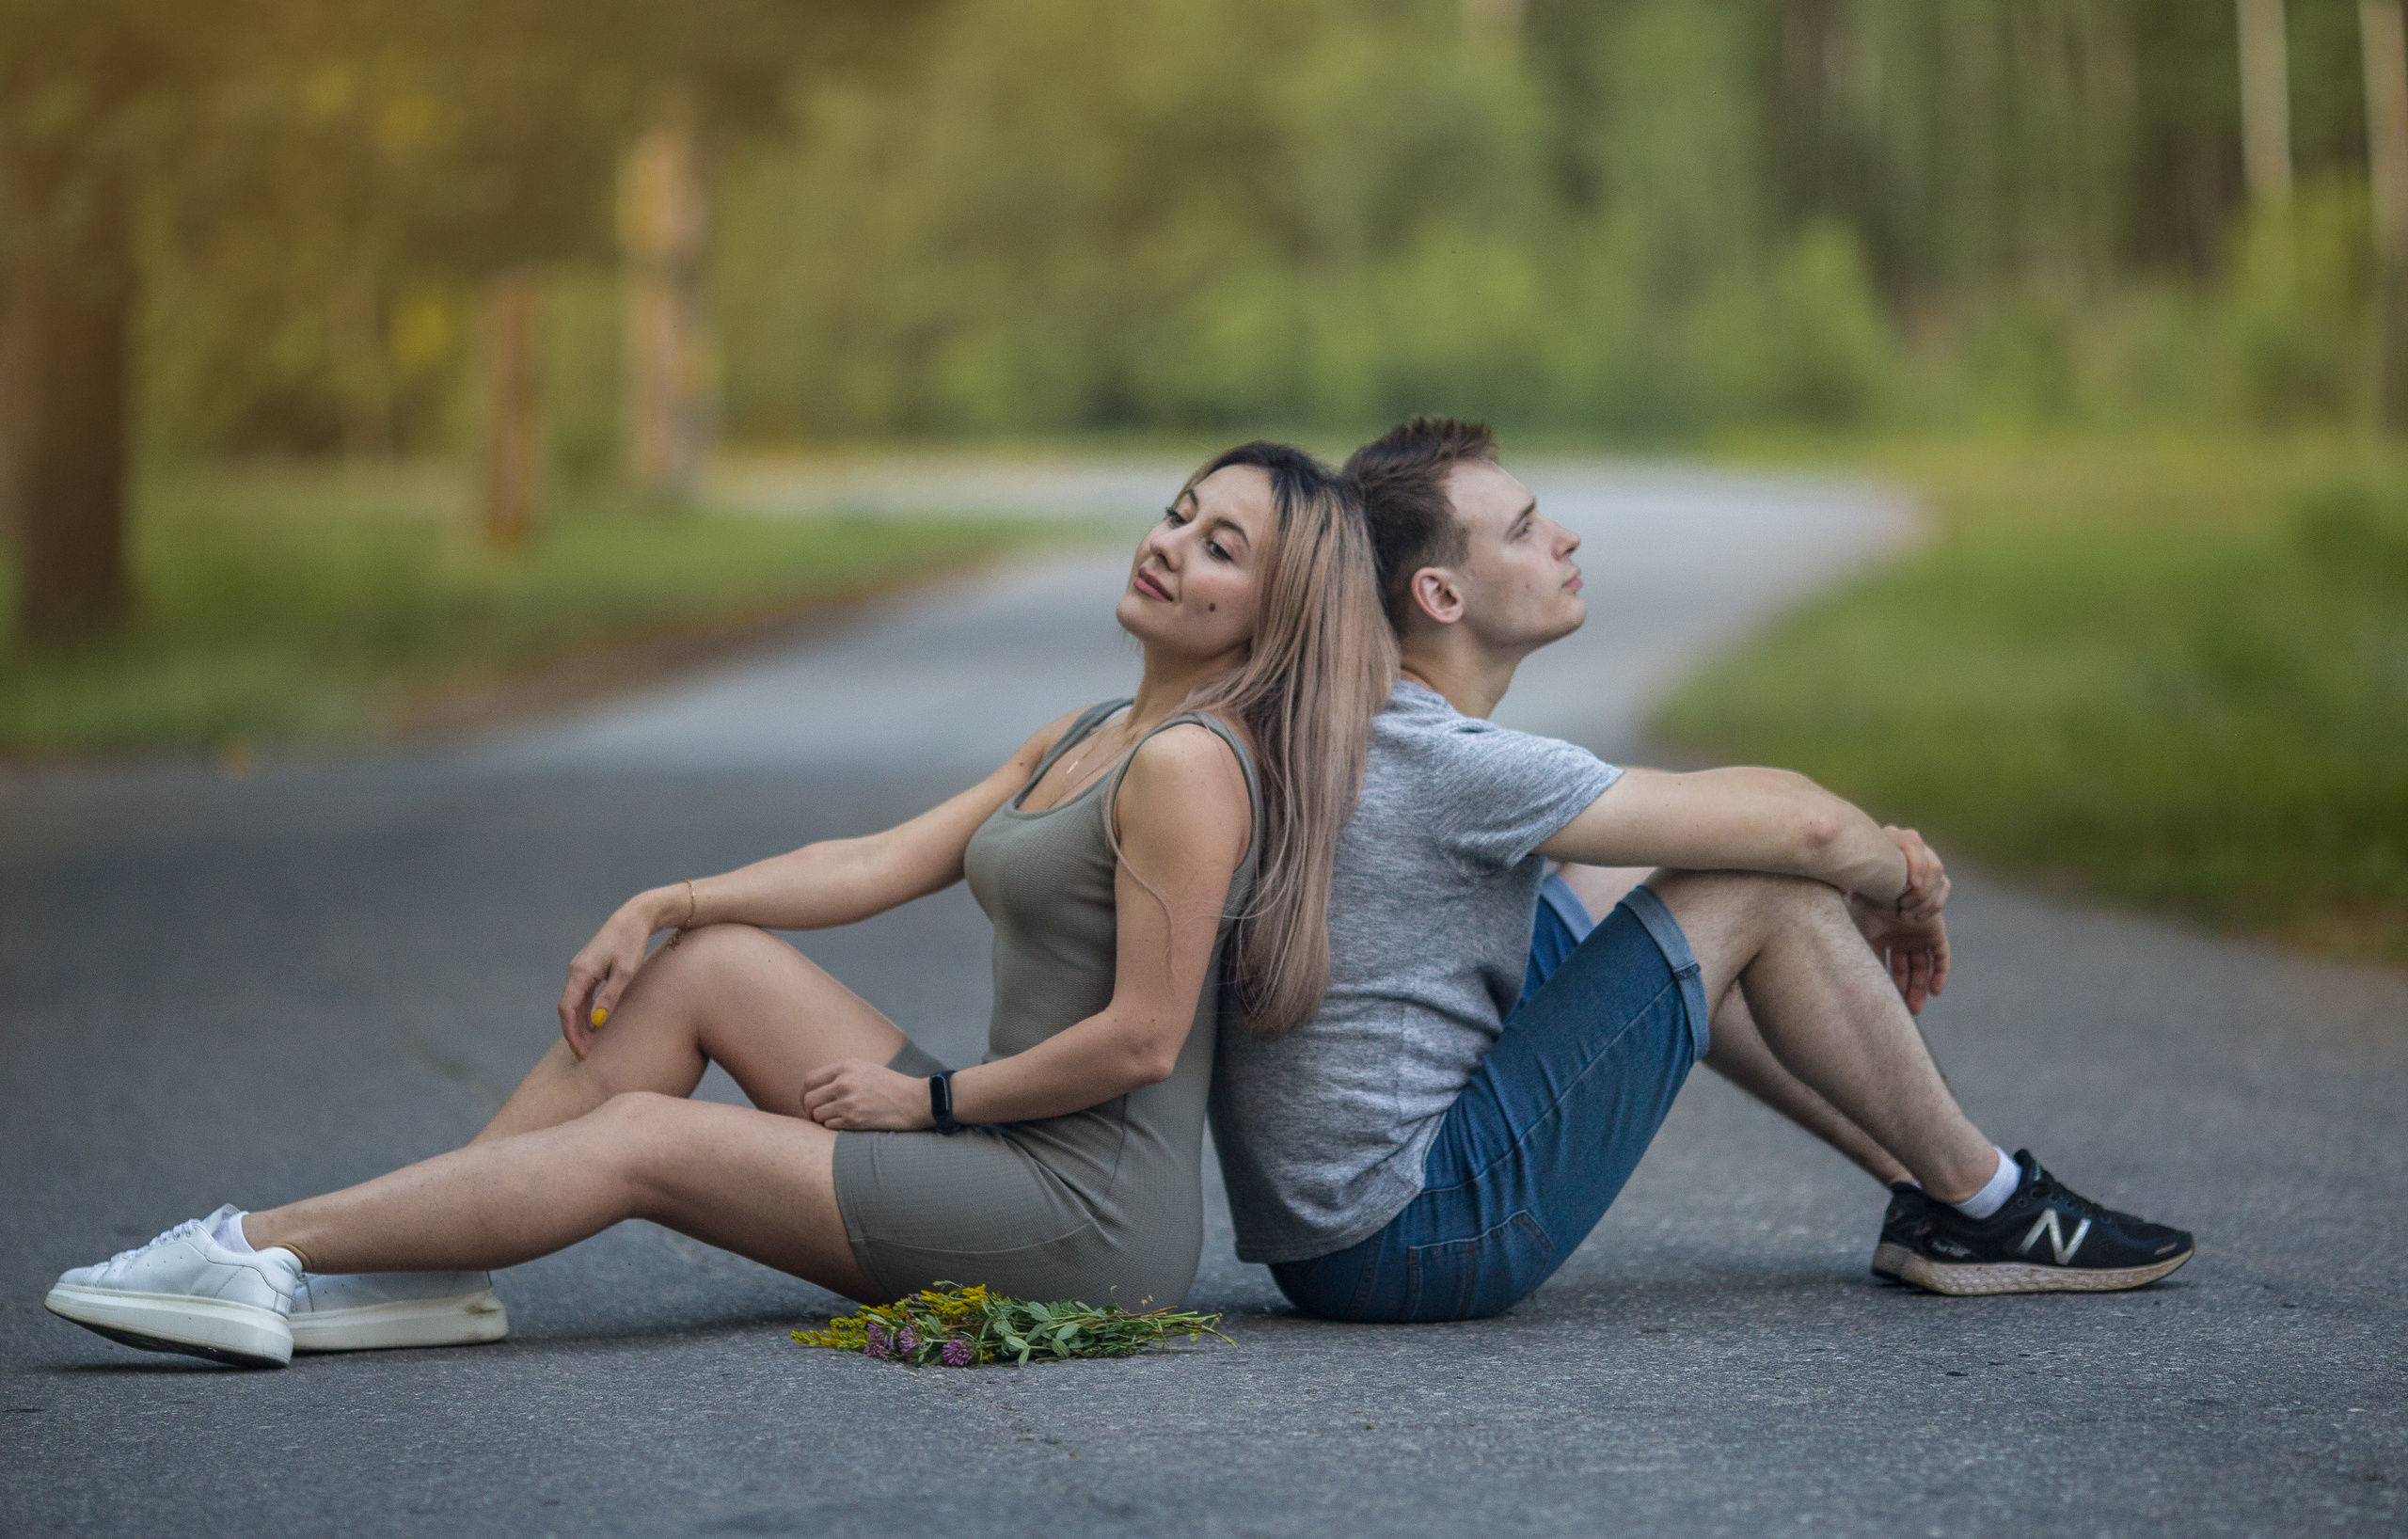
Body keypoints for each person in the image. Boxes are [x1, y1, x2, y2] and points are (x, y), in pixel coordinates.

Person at [46, 442, 1395, 1368]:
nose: (1171, 547)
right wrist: (664, 897)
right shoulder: (1093, 727)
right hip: (1007, 1150)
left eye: (1221, 549)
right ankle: (418, 1266)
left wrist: (926, 1105)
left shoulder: (1189, 770)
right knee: (705, 963)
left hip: (1084, 1218)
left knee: (647, 1140)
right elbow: (874, 861)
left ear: (1268, 615)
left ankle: (254, 1247)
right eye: (1179, 513)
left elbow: (1143, 1042)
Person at [1211, 417, 2194, 1323]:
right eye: (1522, 529)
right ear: (1441, 594)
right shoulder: (1452, 764)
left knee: (1659, 869)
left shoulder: (1377, 724)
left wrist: (1870, 859)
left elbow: (1739, 814)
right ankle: (1993, 1203)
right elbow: (1802, 835)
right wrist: (1903, 885)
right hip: (1409, 1240)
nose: (1565, 538)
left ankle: (1926, 1190)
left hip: (1332, 1234)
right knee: (1752, 887)